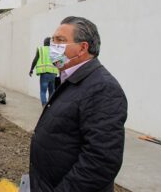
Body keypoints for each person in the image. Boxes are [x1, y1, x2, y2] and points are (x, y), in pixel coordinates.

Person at [29, 16, 127, 192]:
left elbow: (101, 161)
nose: (53, 46)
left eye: (60, 40)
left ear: (83, 48)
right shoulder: (69, 78)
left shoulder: (103, 88)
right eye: (52, 40)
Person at [29, 37, 59, 106]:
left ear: (44, 42)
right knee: (52, 90)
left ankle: (44, 105)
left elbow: (35, 60)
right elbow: (58, 62)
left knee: (43, 91)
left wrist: (31, 69)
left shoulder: (40, 49)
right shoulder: (54, 50)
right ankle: (50, 106)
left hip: (44, 73)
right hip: (53, 74)